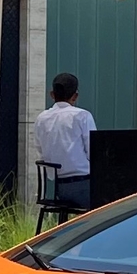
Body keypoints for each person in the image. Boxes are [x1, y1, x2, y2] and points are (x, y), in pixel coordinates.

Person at [33, 72, 96, 210]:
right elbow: (94, 151)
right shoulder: (82, 116)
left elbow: (39, 150)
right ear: (75, 96)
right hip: (83, 184)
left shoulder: (41, 118)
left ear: (52, 94)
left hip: (58, 188)